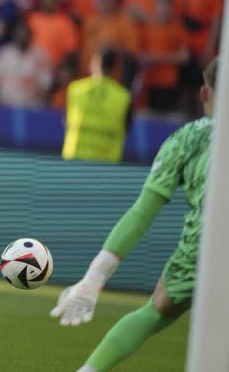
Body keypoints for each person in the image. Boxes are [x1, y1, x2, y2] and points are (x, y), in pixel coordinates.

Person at [51, 57, 217, 372]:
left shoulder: (190, 138)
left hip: (208, 245)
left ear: (204, 95)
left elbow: (142, 212)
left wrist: (93, 279)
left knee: (158, 308)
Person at [62, 47, 132, 163]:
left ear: (94, 63)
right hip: (106, 167)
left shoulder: (75, 90)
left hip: (74, 162)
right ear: (115, 68)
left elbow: (66, 121)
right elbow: (127, 129)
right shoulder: (123, 97)